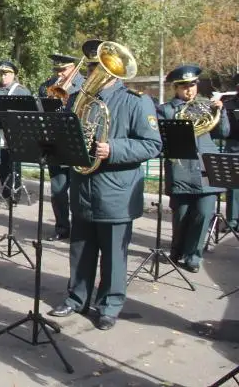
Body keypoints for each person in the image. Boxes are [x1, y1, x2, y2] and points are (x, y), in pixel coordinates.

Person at [49, 39, 161, 331]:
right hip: (84, 185)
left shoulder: (137, 101)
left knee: (113, 254)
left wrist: (114, 149)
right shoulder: (77, 99)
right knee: (80, 248)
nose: (90, 72)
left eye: (96, 67)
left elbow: (152, 144)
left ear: (112, 71)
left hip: (116, 190)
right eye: (89, 67)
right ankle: (76, 298)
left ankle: (109, 305)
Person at [156, 65, 229, 272]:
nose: (190, 90)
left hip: (207, 168)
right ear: (176, 88)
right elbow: (162, 140)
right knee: (182, 215)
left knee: (204, 214)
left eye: (193, 85)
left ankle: (193, 256)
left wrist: (220, 112)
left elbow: (223, 132)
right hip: (182, 169)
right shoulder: (166, 110)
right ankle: (177, 250)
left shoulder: (206, 106)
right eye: (185, 87)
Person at [38, 53, 85, 241]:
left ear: (74, 68)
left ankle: (81, 227)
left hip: (75, 142)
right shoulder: (47, 85)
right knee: (58, 191)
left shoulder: (85, 85)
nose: (60, 74)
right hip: (55, 143)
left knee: (78, 190)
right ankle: (62, 227)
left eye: (63, 70)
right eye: (56, 70)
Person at [0, 60, 32, 202]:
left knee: (14, 164)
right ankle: (5, 189)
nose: (3, 77)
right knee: (2, 163)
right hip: (0, 132)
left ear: (13, 74)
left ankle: (14, 193)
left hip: (16, 133)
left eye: (7, 73)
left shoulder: (21, 90)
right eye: (1, 73)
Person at [223, 73, 239, 232]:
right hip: (234, 150)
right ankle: (232, 221)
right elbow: (224, 131)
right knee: (234, 188)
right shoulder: (229, 105)